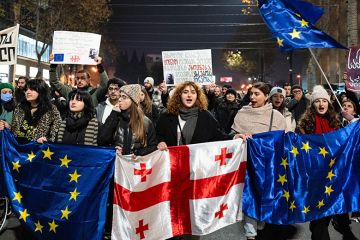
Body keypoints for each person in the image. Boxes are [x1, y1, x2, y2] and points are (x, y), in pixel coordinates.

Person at [156, 81, 233, 240]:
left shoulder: (205, 116)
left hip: (195, 172)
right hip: (171, 172)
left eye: (193, 92)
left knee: (192, 210)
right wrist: (160, 141)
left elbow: (218, 136)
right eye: (185, 92)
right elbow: (157, 135)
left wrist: (234, 138)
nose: (189, 95)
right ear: (178, 95)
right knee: (173, 209)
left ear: (198, 96)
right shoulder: (167, 116)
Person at [297, 85, 357, 240]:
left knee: (332, 211)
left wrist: (353, 123)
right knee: (319, 219)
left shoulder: (336, 124)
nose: (321, 104)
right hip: (314, 177)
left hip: (334, 176)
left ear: (329, 103)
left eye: (324, 100)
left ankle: (340, 223)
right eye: (318, 101)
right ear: (313, 104)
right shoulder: (304, 125)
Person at [231, 82, 288, 240]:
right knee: (249, 197)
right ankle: (251, 233)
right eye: (251, 94)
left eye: (257, 94)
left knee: (264, 196)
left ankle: (262, 226)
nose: (253, 97)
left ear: (266, 96)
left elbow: (284, 140)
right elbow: (231, 134)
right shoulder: (242, 113)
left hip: (268, 165)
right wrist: (237, 137)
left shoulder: (276, 116)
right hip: (246, 163)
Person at [98, 84, 157, 156]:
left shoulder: (145, 122)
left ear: (133, 100)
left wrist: (137, 153)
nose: (119, 99)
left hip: (136, 164)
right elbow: (101, 140)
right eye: (120, 96)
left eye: (124, 97)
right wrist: (113, 149)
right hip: (118, 163)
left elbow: (153, 146)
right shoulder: (115, 117)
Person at [9, 79, 61, 144]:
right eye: (26, 90)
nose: (28, 92)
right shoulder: (20, 107)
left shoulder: (51, 109)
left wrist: (47, 139)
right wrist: (7, 126)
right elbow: (13, 128)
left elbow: (56, 130)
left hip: (37, 149)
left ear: (41, 91)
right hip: (17, 147)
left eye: (32, 89)